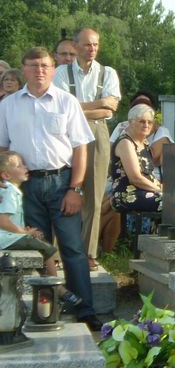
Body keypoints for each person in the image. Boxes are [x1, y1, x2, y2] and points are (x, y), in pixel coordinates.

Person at [0, 47, 100, 330]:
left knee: (72, 248)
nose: (39, 71)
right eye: (33, 66)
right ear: (23, 69)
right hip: (26, 186)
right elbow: (2, 148)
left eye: (44, 65)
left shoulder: (66, 102)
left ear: (53, 69)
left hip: (61, 182)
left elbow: (80, 148)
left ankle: (85, 309)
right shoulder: (8, 105)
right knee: (38, 251)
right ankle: (43, 310)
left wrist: (76, 189)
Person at [53, 27, 121, 271]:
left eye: (95, 44)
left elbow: (110, 110)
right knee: (61, 190)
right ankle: (56, 252)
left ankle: (88, 252)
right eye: (87, 44)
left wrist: (79, 107)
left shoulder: (108, 72)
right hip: (65, 132)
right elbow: (61, 108)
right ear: (76, 45)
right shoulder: (61, 72)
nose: (92, 49)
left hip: (97, 131)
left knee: (93, 195)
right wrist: (99, 103)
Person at [0, 151, 83, 308]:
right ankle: (58, 288)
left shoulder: (12, 191)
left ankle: (52, 291)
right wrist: (24, 233)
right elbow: (3, 221)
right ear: (6, 175)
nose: (25, 167)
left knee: (41, 244)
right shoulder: (9, 192)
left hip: (9, 236)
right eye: (19, 165)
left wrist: (24, 231)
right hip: (5, 239)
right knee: (46, 248)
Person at [110, 104, 163, 214]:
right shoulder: (126, 143)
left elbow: (148, 174)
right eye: (142, 121)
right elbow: (135, 178)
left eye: (150, 122)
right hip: (128, 194)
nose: (146, 125)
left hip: (145, 191)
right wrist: (159, 189)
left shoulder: (144, 143)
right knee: (171, 202)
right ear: (130, 122)